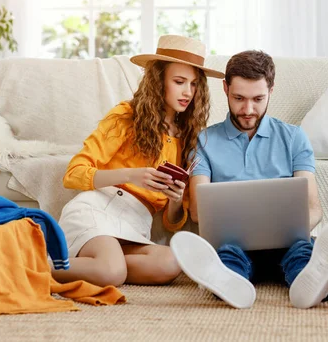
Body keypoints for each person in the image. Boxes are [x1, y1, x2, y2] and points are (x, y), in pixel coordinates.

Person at [170, 50, 328, 309]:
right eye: (239, 98)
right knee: (228, 256)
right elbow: (199, 213)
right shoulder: (205, 142)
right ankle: (228, 282)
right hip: (233, 244)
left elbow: (313, 208)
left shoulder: (293, 138)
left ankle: (311, 280)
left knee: (301, 251)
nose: (248, 110)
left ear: (271, 89)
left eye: (258, 98)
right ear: (225, 89)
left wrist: (286, 230)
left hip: (286, 244)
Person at [53, 35, 225, 287]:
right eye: (179, 82)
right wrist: (132, 175)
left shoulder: (189, 138)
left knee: (170, 263)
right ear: (159, 81)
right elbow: (74, 173)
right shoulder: (126, 116)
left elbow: (172, 221)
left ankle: (100, 266)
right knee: (111, 273)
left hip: (135, 226)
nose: (188, 92)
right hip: (99, 209)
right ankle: (30, 267)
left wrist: (175, 199)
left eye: (194, 84)